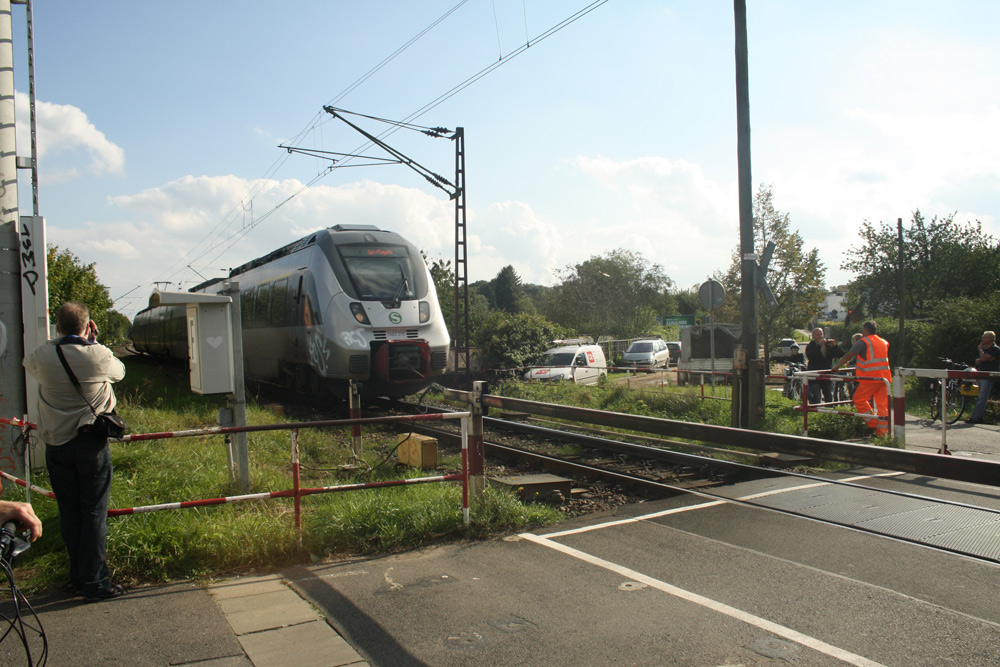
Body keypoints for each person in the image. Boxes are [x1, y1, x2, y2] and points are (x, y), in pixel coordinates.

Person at [23, 301, 126, 602]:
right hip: (89, 446)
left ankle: (76, 578)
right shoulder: (98, 355)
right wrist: (93, 341)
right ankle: (96, 582)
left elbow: (29, 365)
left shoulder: (44, 354)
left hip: (55, 446)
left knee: (69, 513)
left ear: (57, 328)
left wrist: (59, 341)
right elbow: (119, 372)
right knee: (94, 512)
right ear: (87, 325)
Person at [832, 321, 890, 437]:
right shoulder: (884, 342)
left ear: (866, 330)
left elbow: (849, 355)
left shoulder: (863, 342)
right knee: (883, 406)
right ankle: (882, 433)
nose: (862, 332)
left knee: (858, 399)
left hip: (870, 377)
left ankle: (874, 424)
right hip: (884, 378)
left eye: (863, 330)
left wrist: (836, 367)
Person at [966, 330, 1000, 424]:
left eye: (984, 337)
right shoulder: (985, 349)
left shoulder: (995, 349)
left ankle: (976, 417)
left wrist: (981, 352)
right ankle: (977, 415)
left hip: (988, 376)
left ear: (990, 338)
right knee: (977, 396)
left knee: (982, 397)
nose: (982, 339)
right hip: (980, 375)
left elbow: (984, 358)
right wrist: (983, 358)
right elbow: (977, 361)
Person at [805, 328, 844, 404]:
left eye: (821, 334)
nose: (820, 336)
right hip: (815, 375)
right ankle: (816, 412)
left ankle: (829, 412)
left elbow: (841, 355)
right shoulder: (811, 346)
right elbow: (811, 356)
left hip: (826, 375)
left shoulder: (828, 345)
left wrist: (835, 346)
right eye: (818, 335)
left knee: (829, 397)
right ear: (813, 336)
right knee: (816, 398)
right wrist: (819, 345)